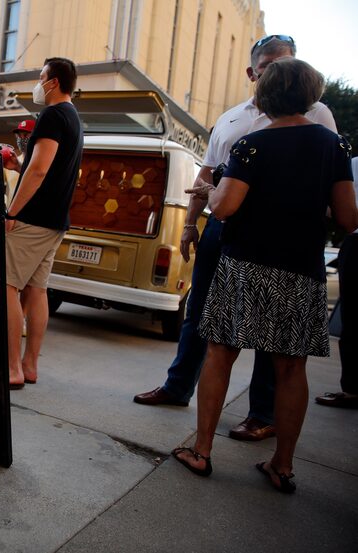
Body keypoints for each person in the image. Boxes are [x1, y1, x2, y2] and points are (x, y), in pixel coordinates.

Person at [134, 35, 338, 442]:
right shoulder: (231, 118)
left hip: (282, 240)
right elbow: (206, 175)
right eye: (271, 68)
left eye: (288, 65)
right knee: (199, 314)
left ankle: (261, 413)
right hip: (222, 230)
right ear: (253, 73)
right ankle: (178, 387)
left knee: (270, 333)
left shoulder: (319, 117)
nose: (281, 75)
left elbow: (331, 183)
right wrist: (191, 225)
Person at [171, 58, 357, 493]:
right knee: (292, 369)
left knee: (220, 353)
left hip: (246, 263)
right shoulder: (334, 146)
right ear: (311, 94)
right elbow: (349, 217)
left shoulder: (252, 146)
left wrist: (208, 190)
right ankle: (283, 465)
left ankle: (201, 452)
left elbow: (224, 207)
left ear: (266, 95)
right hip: (300, 268)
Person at [5, 57, 83, 389]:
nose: (38, 84)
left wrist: (11, 212)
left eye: (41, 77)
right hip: (55, 221)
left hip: (33, 219)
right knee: (37, 289)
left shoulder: (51, 115)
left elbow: (39, 169)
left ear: (53, 82)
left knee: (6, 285)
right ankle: (30, 364)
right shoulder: (74, 118)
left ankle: (11, 369)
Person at [315, 155, 358, 409]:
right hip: (355, 241)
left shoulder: (351, 163)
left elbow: (337, 209)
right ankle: (352, 389)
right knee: (352, 321)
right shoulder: (351, 163)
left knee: (353, 321)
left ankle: (352, 389)